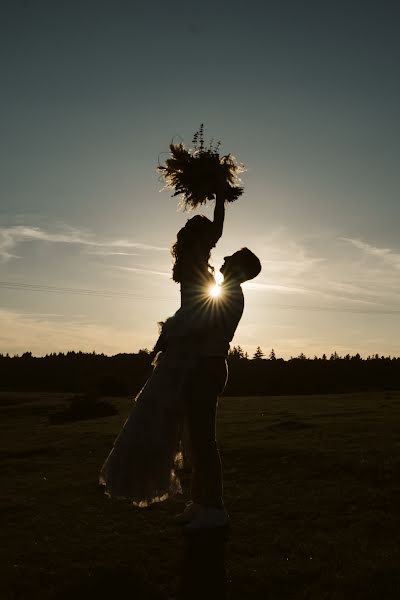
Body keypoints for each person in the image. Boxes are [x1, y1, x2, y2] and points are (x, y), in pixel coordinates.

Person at [98, 193, 226, 507]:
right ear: (198, 241)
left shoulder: (189, 262)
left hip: (186, 343)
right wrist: (220, 195)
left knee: (172, 421)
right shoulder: (194, 263)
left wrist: (221, 197)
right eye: (206, 239)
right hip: (187, 348)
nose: (212, 243)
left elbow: (217, 230)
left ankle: (197, 499)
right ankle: (192, 498)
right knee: (171, 421)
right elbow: (218, 230)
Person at [171, 248, 262, 530]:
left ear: (240, 268)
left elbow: (202, 325)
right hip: (203, 366)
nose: (223, 260)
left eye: (230, 258)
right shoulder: (224, 290)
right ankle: (200, 503)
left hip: (207, 367)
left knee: (204, 442)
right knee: (197, 441)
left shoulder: (230, 293)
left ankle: (214, 508)